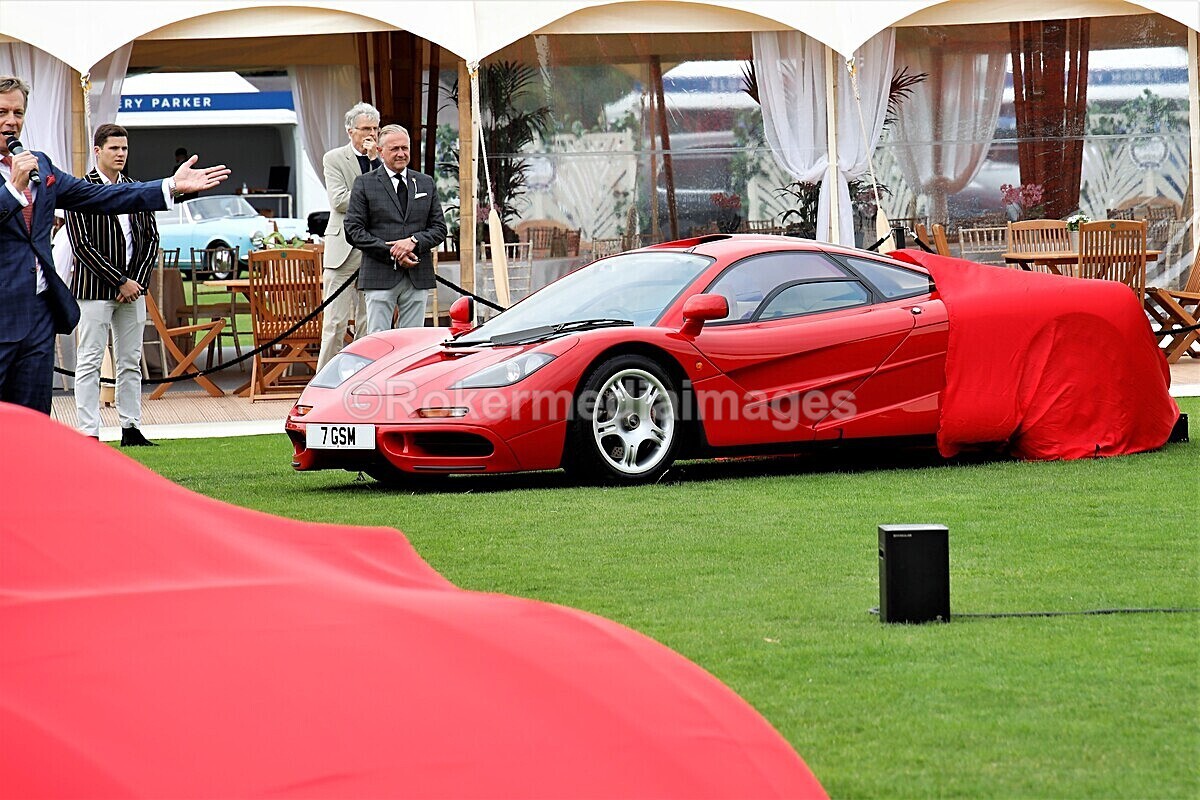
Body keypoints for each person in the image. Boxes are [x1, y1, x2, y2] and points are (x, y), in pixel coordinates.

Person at [0, 75, 229, 415]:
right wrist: (14, 192)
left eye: (18, 112)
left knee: (33, 424)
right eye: (3, 112)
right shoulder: (21, 176)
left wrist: (169, 187)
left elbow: (101, 195)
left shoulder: (41, 165)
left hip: (38, 314)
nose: (11, 121)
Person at [65, 124, 160, 445]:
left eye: (124, 149)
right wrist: (119, 280)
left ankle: (131, 428)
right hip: (93, 290)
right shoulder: (79, 189)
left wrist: (136, 282)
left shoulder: (136, 188)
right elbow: (81, 245)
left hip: (134, 289)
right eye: (114, 149)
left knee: (130, 360)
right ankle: (88, 432)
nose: (120, 154)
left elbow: (150, 239)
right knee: (89, 359)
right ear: (97, 151)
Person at [343, 124, 446, 334]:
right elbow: (353, 230)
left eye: (405, 148)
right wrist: (392, 251)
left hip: (418, 275)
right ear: (380, 151)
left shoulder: (425, 183)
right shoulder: (364, 184)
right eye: (394, 149)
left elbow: (439, 228)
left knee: (413, 345)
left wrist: (414, 242)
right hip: (379, 274)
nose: (401, 154)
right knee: (378, 343)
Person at [315, 102, 378, 371]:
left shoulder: (383, 158)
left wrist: (376, 161)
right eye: (365, 128)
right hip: (342, 250)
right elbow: (340, 201)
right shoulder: (334, 158)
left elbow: (391, 196)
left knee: (370, 322)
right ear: (350, 130)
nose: (371, 134)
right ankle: (323, 384)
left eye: (375, 128)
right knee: (334, 323)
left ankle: (363, 380)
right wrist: (375, 195)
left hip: (375, 249)